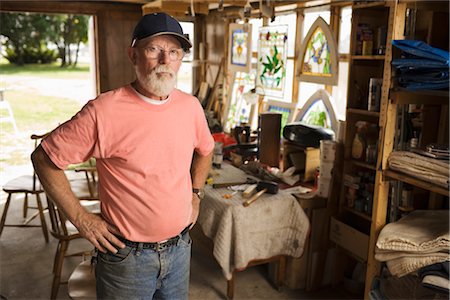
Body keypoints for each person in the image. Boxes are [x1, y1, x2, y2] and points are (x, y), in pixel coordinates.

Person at [32, 12, 214, 299]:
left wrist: (196, 193)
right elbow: (44, 159)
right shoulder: (104, 111)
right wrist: (81, 218)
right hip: (127, 258)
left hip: (179, 250)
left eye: (174, 51)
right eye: (154, 49)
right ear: (133, 55)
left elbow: (206, 150)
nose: (165, 61)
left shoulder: (190, 107)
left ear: (180, 59)